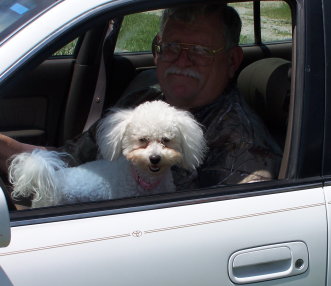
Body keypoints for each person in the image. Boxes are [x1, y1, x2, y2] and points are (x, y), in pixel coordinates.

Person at [0, 4, 281, 191]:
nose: (182, 61)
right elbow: (71, 158)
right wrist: (6, 148)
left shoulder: (243, 148)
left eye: (199, 50)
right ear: (156, 50)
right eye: (171, 46)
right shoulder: (145, 97)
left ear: (232, 61)